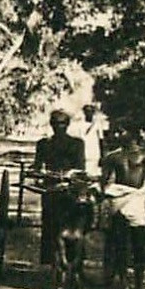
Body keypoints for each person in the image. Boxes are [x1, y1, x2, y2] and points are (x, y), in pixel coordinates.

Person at [101, 129, 145, 289]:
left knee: (122, 244)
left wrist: (103, 195)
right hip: (130, 200)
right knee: (135, 245)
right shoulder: (140, 155)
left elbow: (104, 180)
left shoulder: (114, 157)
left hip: (125, 200)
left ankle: (128, 284)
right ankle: (132, 285)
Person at [32, 109, 86, 266]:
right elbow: (37, 166)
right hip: (50, 187)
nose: (58, 127)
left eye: (61, 123)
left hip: (71, 187)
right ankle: (50, 257)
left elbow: (80, 167)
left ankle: (77, 256)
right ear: (51, 124)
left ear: (67, 125)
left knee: (78, 220)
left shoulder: (77, 143)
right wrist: (40, 173)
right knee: (49, 222)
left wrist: (71, 175)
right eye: (55, 123)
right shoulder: (43, 144)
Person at [80, 104, 108, 177]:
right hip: (84, 152)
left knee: (95, 174)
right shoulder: (80, 124)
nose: (89, 113)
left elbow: (101, 140)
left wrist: (103, 156)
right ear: (84, 112)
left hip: (95, 152)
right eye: (87, 111)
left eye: (91, 111)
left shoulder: (97, 124)